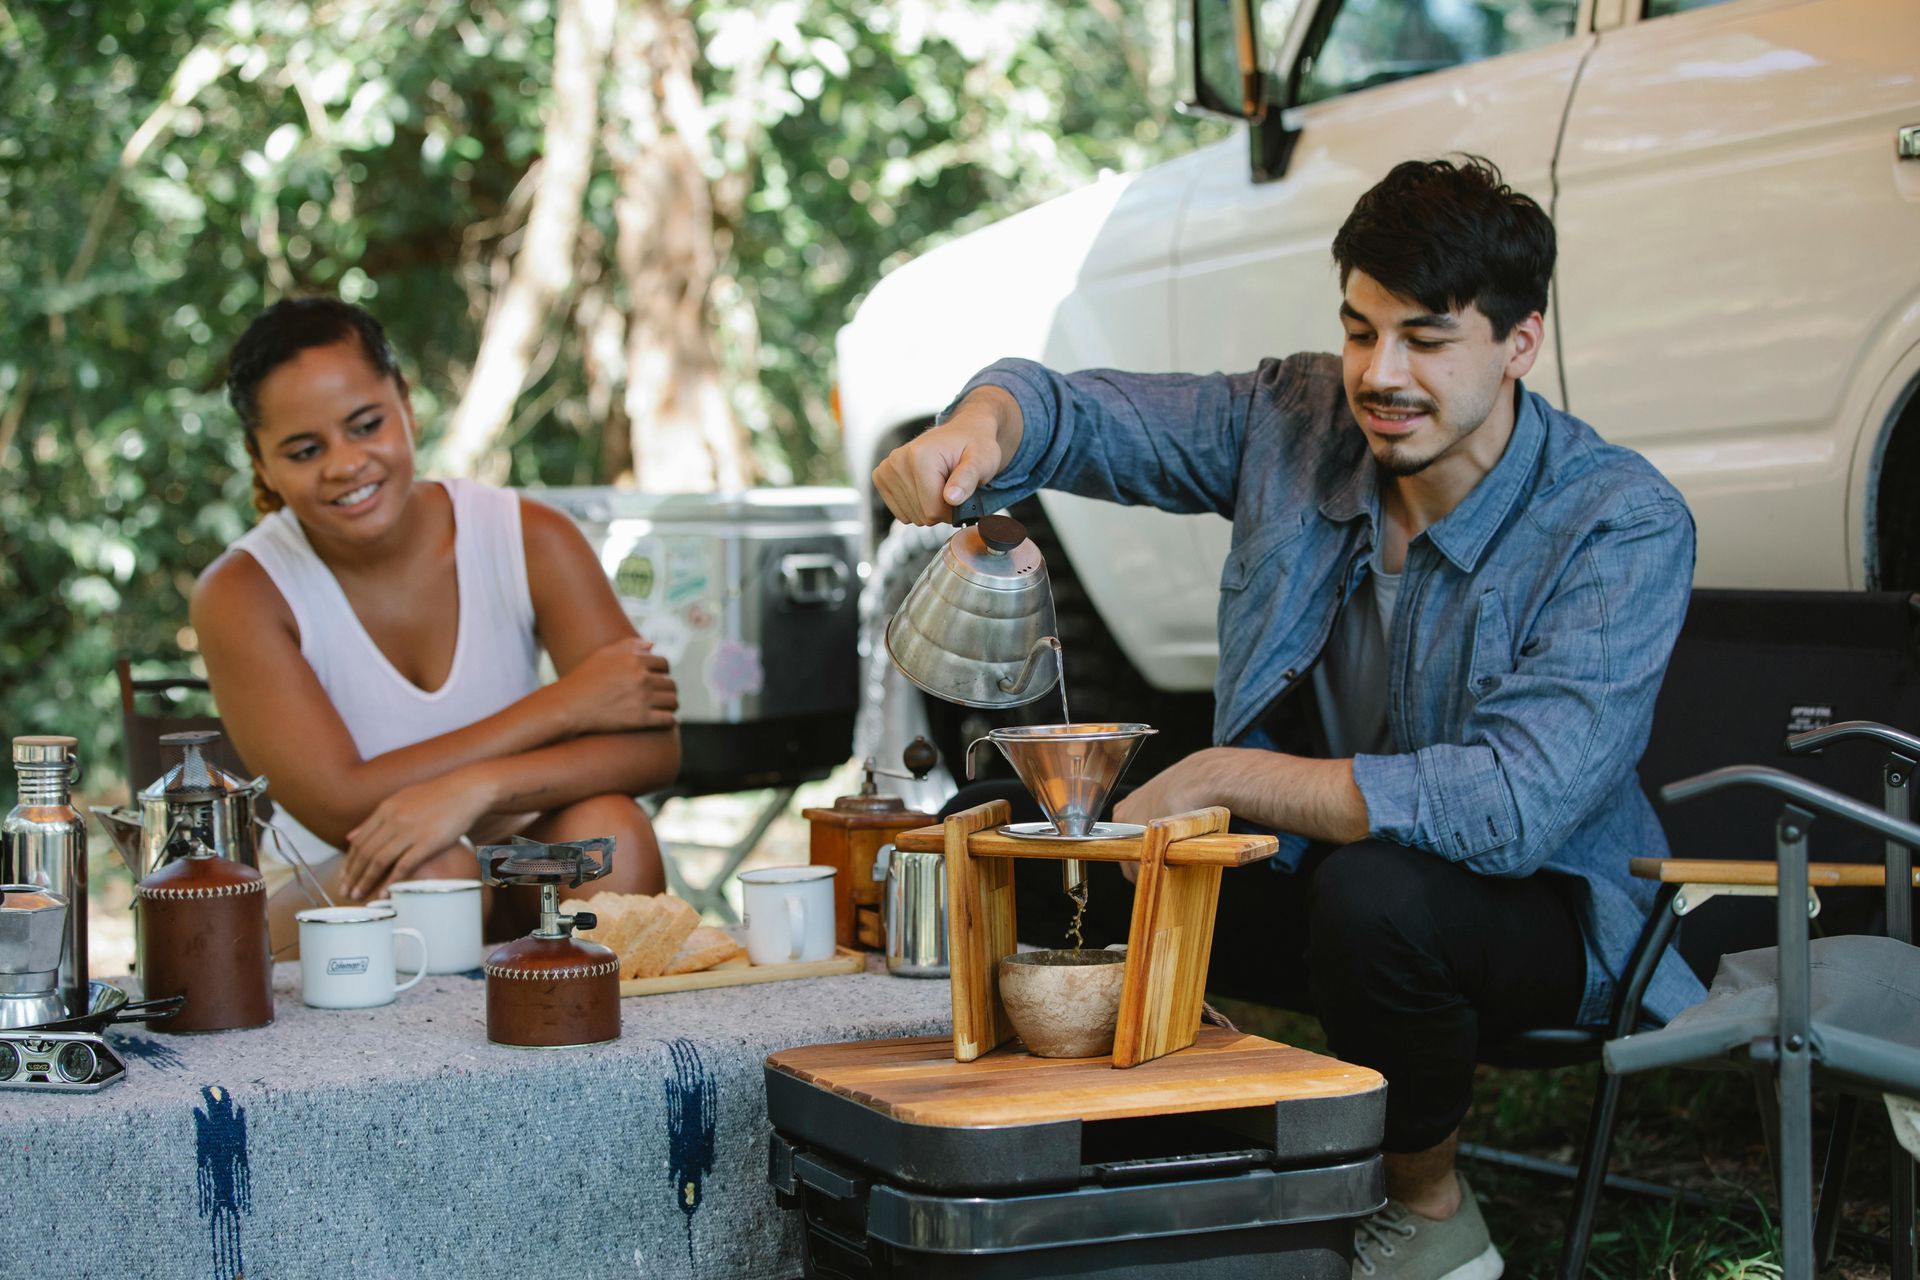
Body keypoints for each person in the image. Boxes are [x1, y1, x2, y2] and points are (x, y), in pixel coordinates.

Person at [874, 157, 1707, 1280]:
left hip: (1541, 908)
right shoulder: (1294, 416)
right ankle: (1127, 1169)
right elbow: (1079, 413)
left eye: (1425, 338)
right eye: (1360, 332)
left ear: (1520, 341)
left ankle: (1430, 1217)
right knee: (1018, 824)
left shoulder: (1620, 520)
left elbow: (1513, 803)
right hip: (1308, 870)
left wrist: (1234, 776)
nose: (1380, 373)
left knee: (1381, 898)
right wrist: (972, 428)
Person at [193, 297, 680, 953]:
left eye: (366, 425)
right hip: (337, 889)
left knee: (610, 831)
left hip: (510, 854)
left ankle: (598, 1047)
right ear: (262, 464)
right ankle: (432, 1061)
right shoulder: (244, 591)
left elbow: (654, 747)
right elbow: (343, 808)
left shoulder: (527, 537)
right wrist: (563, 705)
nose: (344, 464)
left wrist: (477, 789)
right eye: (305, 450)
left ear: (407, 406)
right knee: (434, 869)